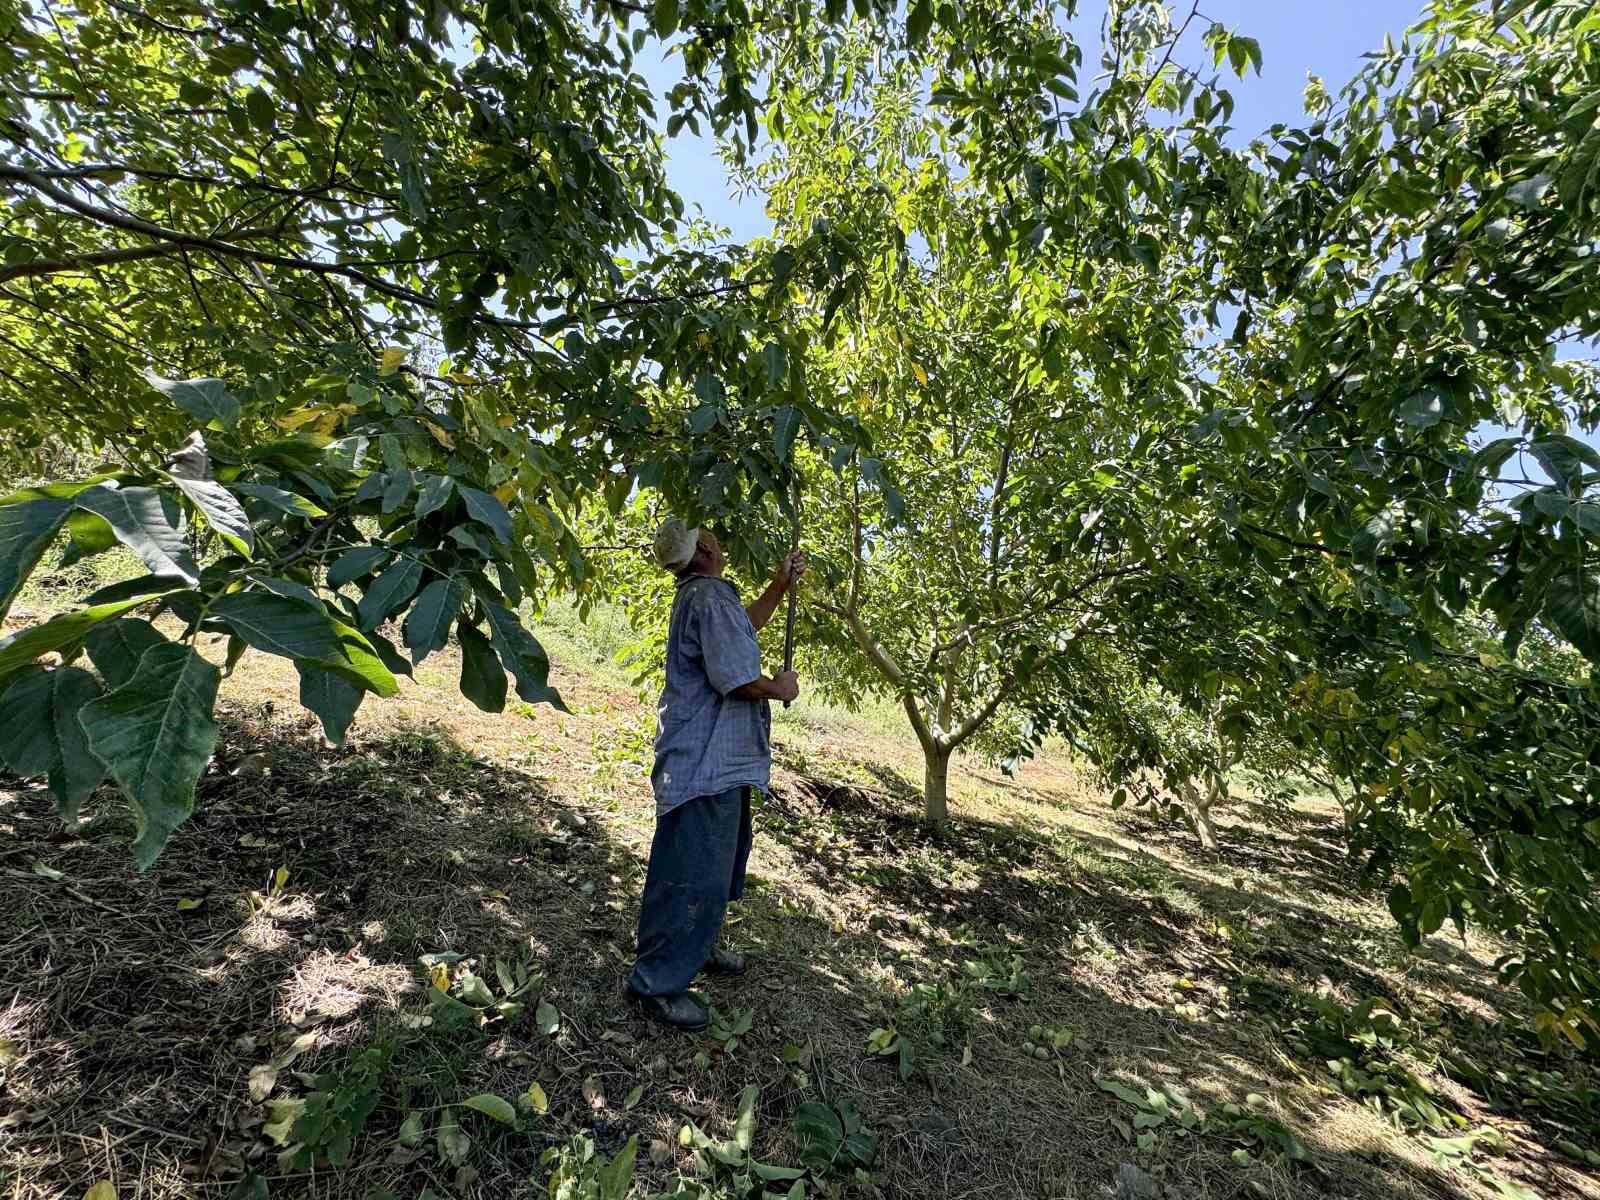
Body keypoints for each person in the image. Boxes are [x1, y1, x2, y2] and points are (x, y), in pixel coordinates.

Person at [625, 517, 804, 1030]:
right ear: (704, 549)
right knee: (691, 870)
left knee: (715, 867)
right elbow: (737, 678)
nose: (720, 541)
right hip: (705, 762)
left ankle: (695, 946)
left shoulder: (706, 598)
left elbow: (741, 628)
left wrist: (778, 584)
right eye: (713, 537)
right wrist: (779, 688)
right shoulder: (708, 599)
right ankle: (655, 982)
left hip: (718, 762)